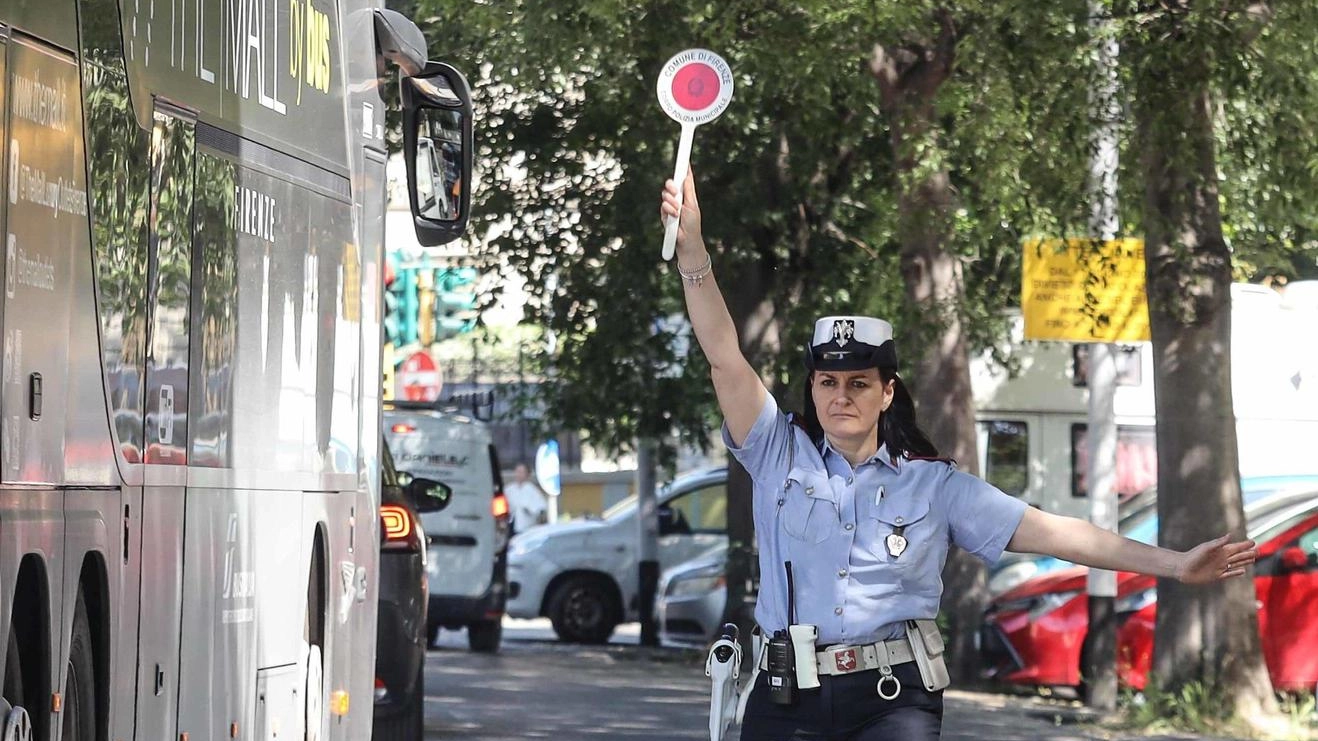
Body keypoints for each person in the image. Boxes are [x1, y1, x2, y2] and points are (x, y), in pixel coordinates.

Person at [659, 173, 1258, 741]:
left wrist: (1176, 566)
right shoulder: (774, 451)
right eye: (827, 383)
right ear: (812, 388)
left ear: (887, 391)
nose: (841, 396)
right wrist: (692, 250)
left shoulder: (933, 486)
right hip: (787, 693)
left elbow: (1056, 533)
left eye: (859, 383)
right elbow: (724, 355)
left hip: (893, 696)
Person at [505, 462, 548, 534]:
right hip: (511, 525)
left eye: (521, 472)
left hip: (528, 527)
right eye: (517, 471)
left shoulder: (532, 490)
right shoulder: (509, 489)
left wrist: (530, 510)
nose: (519, 474)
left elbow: (541, 507)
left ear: (527, 474)